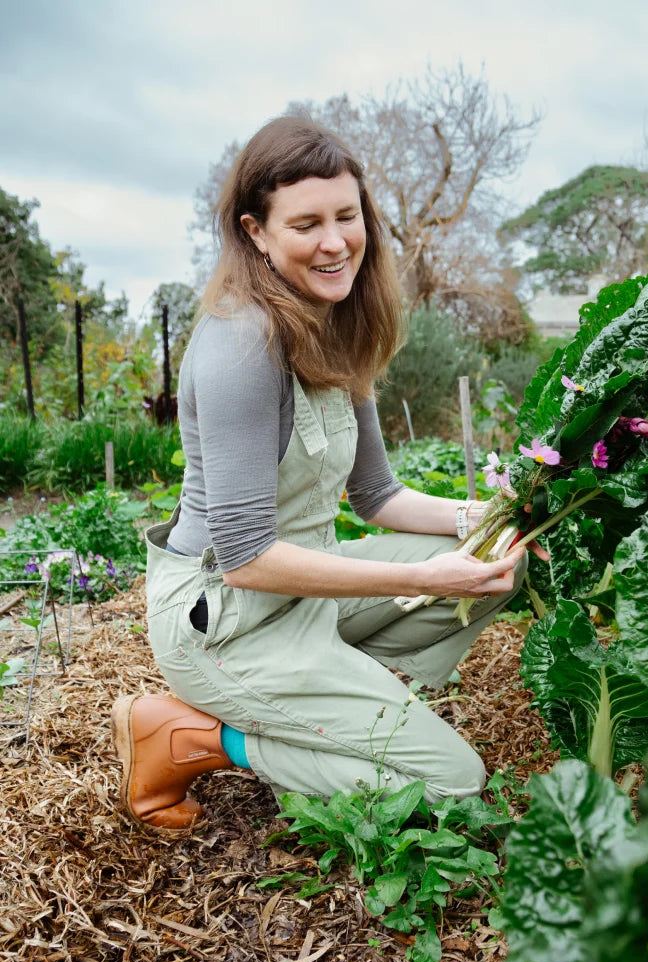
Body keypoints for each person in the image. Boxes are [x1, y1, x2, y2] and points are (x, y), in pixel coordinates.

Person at [111, 116, 539, 831]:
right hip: (227, 620)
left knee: (502, 560)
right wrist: (426, 578)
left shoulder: (336, 324)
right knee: (457, 790)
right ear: (256, 232)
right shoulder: (242, 346)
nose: (336, 241)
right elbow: (246, 560)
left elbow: (378, 496)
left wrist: (493, 518)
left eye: (348, 216)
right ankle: (199, 736)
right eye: (306, 223)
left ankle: (327, 704)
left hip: (309, 595)